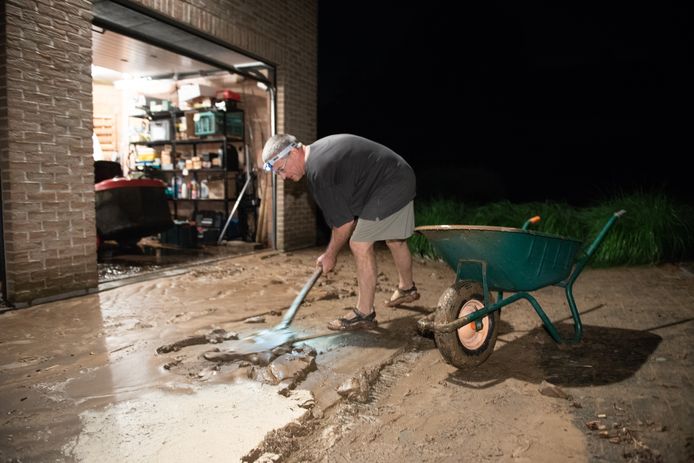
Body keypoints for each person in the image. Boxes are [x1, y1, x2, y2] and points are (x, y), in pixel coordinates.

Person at [261, 133, 420, 331]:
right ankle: (407, 288)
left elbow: (344, 224)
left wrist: (330, 255)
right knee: (395, 240)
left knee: (359, 244)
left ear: (293, 152)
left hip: (391, 182)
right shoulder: (318, 154)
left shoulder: (319, 171)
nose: (283, 177)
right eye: (278, 174)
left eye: (282, 170)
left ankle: (364, 313)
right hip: (399, 173)